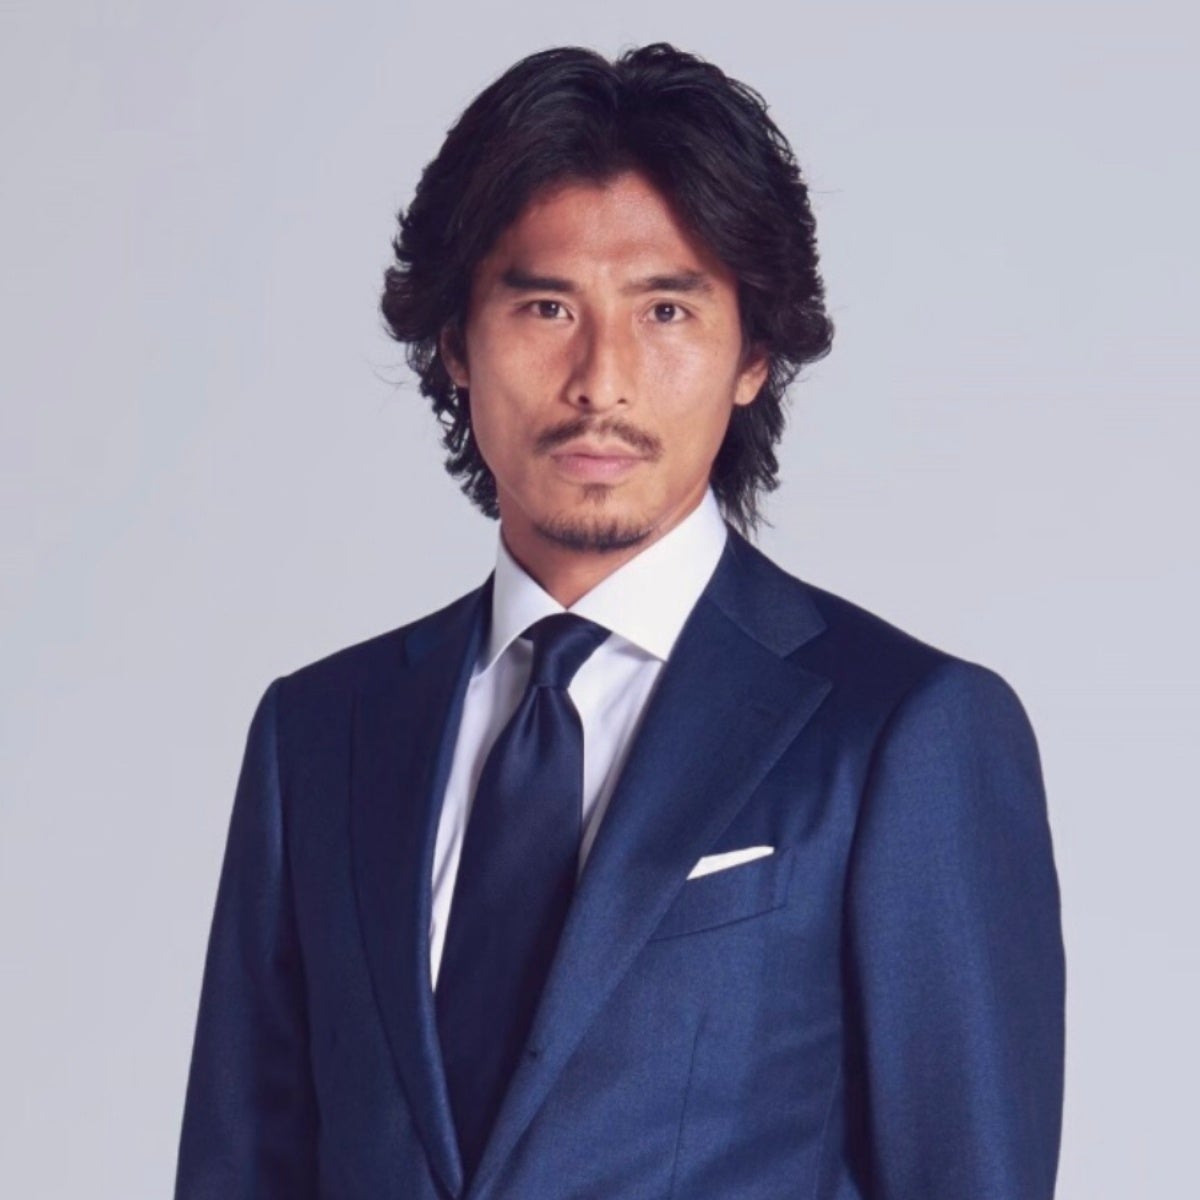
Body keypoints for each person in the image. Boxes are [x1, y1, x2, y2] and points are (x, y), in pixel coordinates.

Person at [174, 42, 1065, 1200]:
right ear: (455, 343)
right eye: (547, 306)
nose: (602, 379)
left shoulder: (906, 732)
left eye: (665, 309)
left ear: (752, 353)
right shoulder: (319, 735)